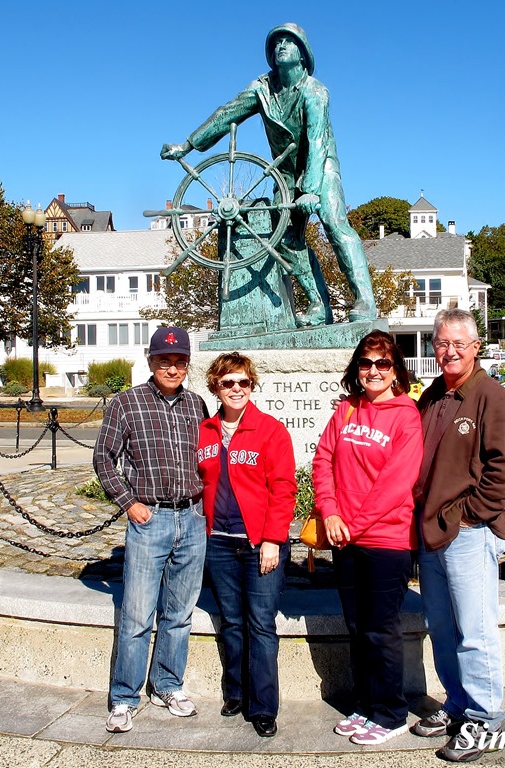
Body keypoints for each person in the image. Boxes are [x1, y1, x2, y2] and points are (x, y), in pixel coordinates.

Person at [161, 22, 376, 327]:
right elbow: (226, 114)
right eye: (276, 43)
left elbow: (316, 141)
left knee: (334, 223)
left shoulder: (315, 92)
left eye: (289, 42)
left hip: (320, 166)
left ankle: (364, 299)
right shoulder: (262, 89)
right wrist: (188, 145)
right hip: (285, 172)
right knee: (285, 237)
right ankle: (318, 306)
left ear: (303, 54)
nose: (280, 46)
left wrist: (311, 190)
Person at [411, 309, 505, 763]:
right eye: (442, 343)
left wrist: (470, 516)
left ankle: (483, 718)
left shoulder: (493, 398)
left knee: (475, 632)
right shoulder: (434, 395)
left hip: (468, 535)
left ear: (476, 347)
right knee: (442, 628)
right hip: (432, 533)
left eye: (459, 343)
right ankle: (457, 704)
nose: (450, 351)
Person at [93, 326, 209, 734]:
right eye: (164, 361)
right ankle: (125, 696)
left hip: (191, 519)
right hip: (150, 520)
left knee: (179, 613)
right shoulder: (126, 403)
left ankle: (167, 685)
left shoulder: (197, 404)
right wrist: (129, 503)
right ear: (151, 361)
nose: (172, 368)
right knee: (138, 615)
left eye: (179, 362)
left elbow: (208, 458)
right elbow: (104, 458)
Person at [312, 330, 423, 746]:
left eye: (382, 363)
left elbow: (395, 484)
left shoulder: (406, 416)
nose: (373, 370)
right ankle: (365, 704)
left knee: (381, 629)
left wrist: (352, 524)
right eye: (365, 362)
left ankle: (390, 713)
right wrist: (330, 511)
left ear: (395, 371)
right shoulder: (347, 410)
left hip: (386, 541)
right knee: (357, 627)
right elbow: (323, 460)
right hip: (345, 538)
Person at [196, 352, 296, 738]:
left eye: (243, 382)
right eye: (228, 383)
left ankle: (264, 705)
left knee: (260, 624)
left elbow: (284, 488)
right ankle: (236, 691)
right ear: (216, 387)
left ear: (252, 386)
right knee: (232, 622)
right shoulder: (205, 431)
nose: (236, 389)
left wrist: (272, 539)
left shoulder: (270, 430)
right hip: (219, 544)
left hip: (259, 545)